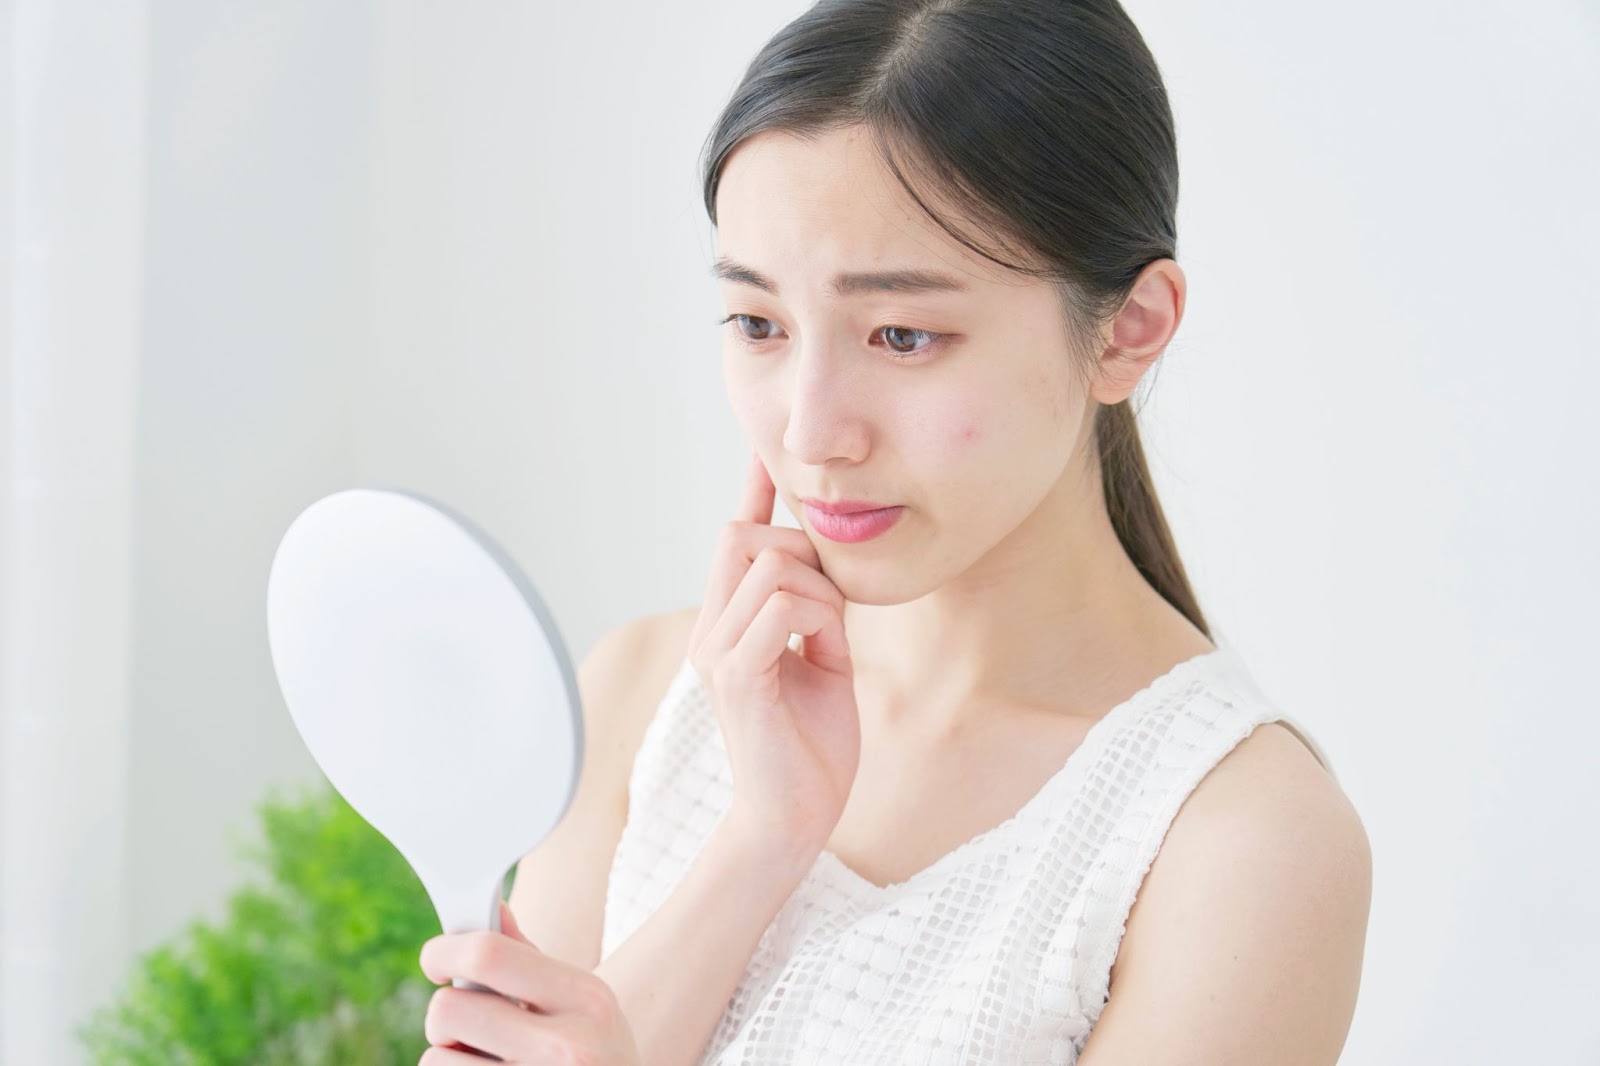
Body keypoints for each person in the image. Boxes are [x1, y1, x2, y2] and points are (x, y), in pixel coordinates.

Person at [417, 0, 1372, 1062]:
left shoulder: (1238, 845)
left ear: (1128, 329)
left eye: (903, 334)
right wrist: (759, 841)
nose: (812, 430)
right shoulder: (641, 696)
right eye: (759, 324)